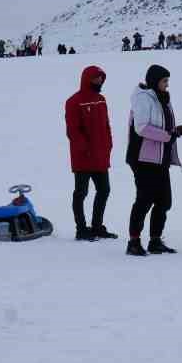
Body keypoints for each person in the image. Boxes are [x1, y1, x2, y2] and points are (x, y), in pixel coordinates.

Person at [126, 64, 182, 256]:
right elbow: (141, 128)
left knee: (164, 201)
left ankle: (155, 240)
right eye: (165, 81)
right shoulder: (143, 98)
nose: (167, 85)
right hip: (143, 158)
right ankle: (133, 241)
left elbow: (164, 127)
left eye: (167, 81)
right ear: (155, 81)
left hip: (160, 158)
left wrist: (176, 131)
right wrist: (166, 135)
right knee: (144, 200)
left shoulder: (163, 98)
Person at [66, 65, 116, 241]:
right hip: (83, 158)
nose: (100, 81)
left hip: (100, 156)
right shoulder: (73, 101)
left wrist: (109, 144)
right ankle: (81, 229)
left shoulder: (101, 100)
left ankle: (96, 226)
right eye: (96, 78)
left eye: (101, 78)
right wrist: (84, 149)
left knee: (104, 190)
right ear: (87, 79)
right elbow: (73, 131)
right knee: (81, 193)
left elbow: (106, 125)